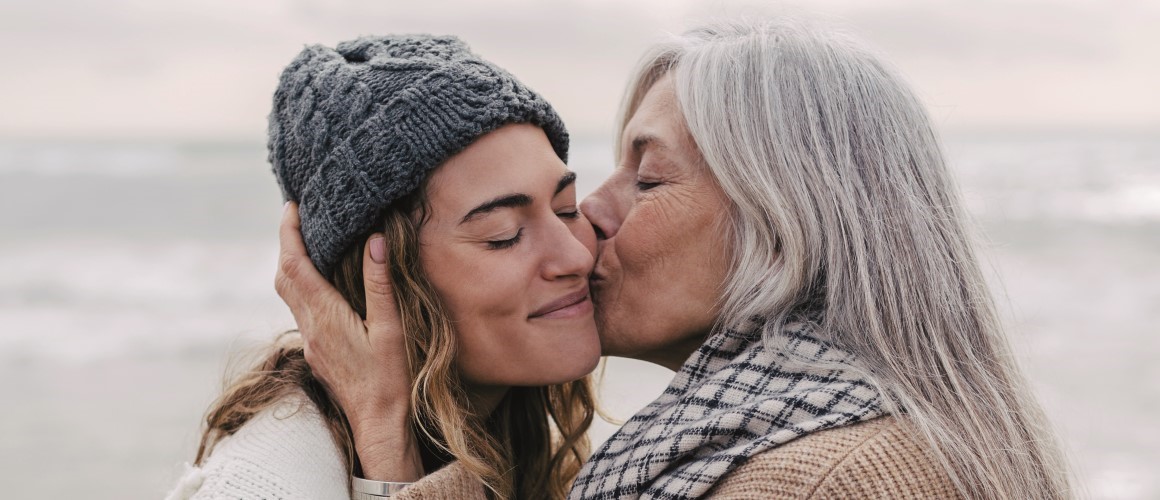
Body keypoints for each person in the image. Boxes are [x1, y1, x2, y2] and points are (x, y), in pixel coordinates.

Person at [282, 17, 1074, 499]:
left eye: (649, 177)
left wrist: (386, 441)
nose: (592, 213)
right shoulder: (763, 445)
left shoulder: (826, 480)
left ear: (787, 219)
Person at [167, 35, 603, 500]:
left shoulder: (511, 436)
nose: (576, 256)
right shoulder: (265, 484)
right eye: (502, 234)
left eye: (566, 209)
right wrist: (386, 442)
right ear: (383, 279)